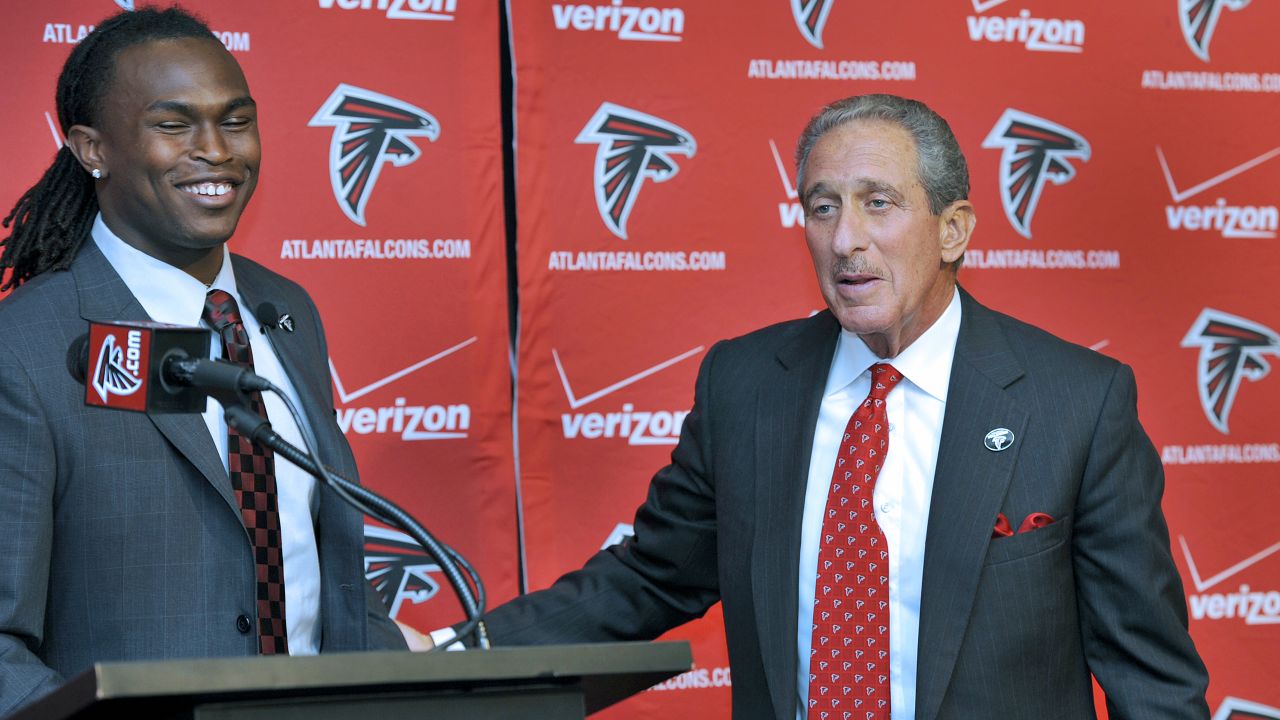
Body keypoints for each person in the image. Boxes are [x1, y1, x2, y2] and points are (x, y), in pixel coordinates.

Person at [449, 95, 1210, 719]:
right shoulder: (744, 385)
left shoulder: (1077, 401)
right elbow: (648, 579)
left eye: (878, 204)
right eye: (822, 207)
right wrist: (458, 654)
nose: (846, 239)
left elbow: (1152, 682)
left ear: (953, 231)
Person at [0, 8, 405, 715]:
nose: (216, 150)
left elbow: (312, 559)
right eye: (173, 125)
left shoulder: (288, 311)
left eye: (236, 120)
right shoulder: (27, 349)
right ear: (92, 149)